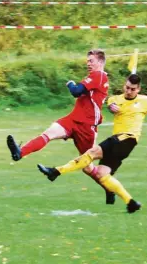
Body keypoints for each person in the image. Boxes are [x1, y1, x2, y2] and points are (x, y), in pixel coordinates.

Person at [37, 74, 147, 213]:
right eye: (127, 87)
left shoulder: (144, 101)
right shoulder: (115, 99)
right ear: (124, 86)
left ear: (139, 89)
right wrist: (112, 107)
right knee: (102, 174)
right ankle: (131, 203)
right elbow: (111, 106)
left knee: (90, 154)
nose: (129, 91)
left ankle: (55, 172)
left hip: (128, 139)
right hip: (119, 141)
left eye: (133, 89)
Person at [7, 49, 110, 198]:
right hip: (73, 119)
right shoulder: (97, 77)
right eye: (87, 61)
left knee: (87, 168)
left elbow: (76, 91)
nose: (88, 64)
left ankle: (109, 188)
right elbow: (83, 94)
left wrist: (70, 84)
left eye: (91, 61)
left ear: (100, 62)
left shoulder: (98, 76)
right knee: (49, 133)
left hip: (86, 127)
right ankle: (19, 152)